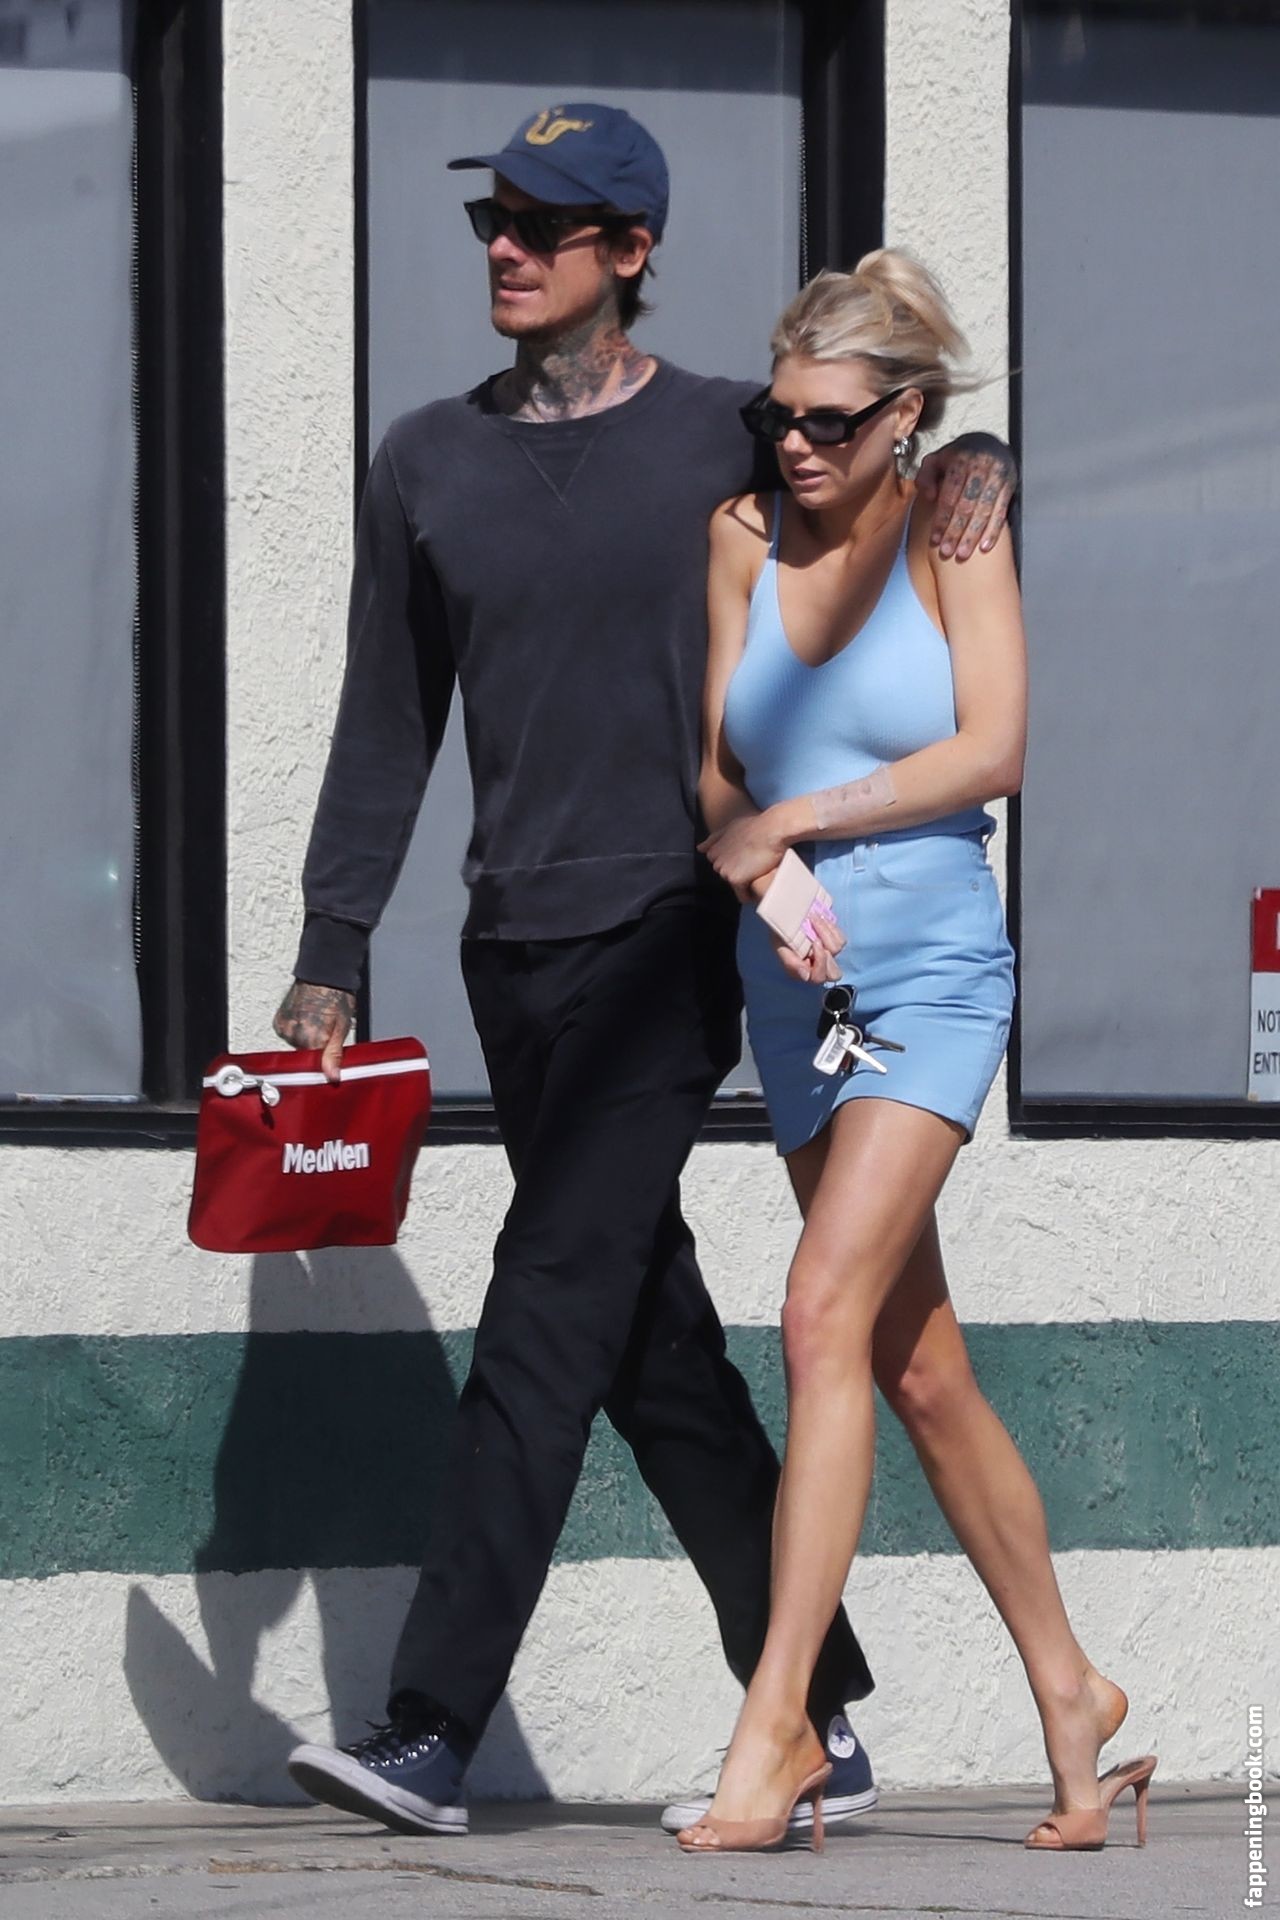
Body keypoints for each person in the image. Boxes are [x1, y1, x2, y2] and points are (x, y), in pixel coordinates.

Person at [273, 105, 1017, 1841]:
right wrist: (330, 945)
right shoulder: (427, 462)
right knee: (642, 1333)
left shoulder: (725, 435)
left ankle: (430, 1727)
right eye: (495, 218)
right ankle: (817, 1708)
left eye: (545, 225)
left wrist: (985, 463)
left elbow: (886, 436)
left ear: (630, 253)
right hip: (513, 944)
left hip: (673, 937)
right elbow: (387, 717)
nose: (505, 246)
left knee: (547, 1298)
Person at [682, 251, 1154, 1856]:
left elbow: (993, 749)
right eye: (779, 414)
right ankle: (1073, 1693)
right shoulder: (739, 538)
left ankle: (781, 1727)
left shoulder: (958, 525)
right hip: (794, 984)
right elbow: (715, 772)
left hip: (933, 971)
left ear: (907, 416)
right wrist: (757, 862)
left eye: (830, 420)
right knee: (916, 1366)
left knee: (819, 1313)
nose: (795, 444)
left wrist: (802, 817)